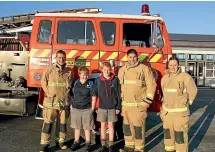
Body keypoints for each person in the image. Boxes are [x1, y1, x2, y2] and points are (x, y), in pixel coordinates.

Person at [118, 49, 157, 152]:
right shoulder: (122, 70)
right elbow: (119, 87)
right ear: (127, 58)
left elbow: (152, 85)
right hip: (126, 106)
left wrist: (146, 102)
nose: (132, 59)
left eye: (134, 57)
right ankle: (129, 146)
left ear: (137, 57)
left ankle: (139, 148)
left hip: (138, 106)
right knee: (127, 128)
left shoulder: (144, 69)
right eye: (130, 57)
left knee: (138, 129)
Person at [160, 56, 197, 152]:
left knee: (180, 139)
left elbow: (193, 90)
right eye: (171, 65)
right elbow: (164, 93)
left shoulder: (185, 77)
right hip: (167, 114)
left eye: (175, 65)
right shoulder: (164, 78)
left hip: (180, 115)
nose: (172, 67)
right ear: (168, 65)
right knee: (168, 138)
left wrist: (187, 102)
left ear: (178, 65)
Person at [39, 50, 73, 152]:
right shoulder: (49, 69)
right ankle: (45, 144)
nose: (61, 59)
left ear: (65, 58)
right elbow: (43, 82)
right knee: (48, 124)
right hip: (51, 102)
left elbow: (69, 86)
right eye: (59, 57)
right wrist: (49, 94)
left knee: (62, 124)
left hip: (63, 102)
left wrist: (66, 95)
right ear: (56, 58)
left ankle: (60, 141)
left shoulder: (69, 71)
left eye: (63, 57)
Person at [93, 62, 121, 152]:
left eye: (108, 69)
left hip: (112, 107)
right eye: (105, 69)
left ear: (111, 69)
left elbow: (118, 94)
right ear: (102, 70)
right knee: (103, 126)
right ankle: (103, 145)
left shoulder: (115, 80)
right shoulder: (98, 80)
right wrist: (96, 107)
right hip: (101, 107)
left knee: (111, 126)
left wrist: (118, 107)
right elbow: (95, 94)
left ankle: (111, 146)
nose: (106, 71)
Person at [70, 66, 96, 152]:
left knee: (87, 127)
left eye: (86, 74)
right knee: (76, 127)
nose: (85, 76)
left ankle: (88, 143)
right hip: (76, 109)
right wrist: (72, 104)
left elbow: (93, 97)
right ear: (79, 74)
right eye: (83, 74)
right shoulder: (76, 83)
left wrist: (92, 109)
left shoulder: (91, 84)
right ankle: (76, 142)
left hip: (87, 109)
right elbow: (71, 94)